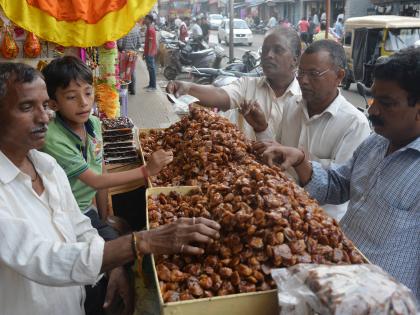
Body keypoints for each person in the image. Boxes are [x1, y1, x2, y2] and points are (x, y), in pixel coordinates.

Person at [0, 62, 221, 315]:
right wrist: (142, 242)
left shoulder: (46, 167)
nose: (43, 117)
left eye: (45, 106)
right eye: (26, 107)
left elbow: (79, 224)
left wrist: (111, 264)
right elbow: (44, 259)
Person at [255, 47, 420, 302]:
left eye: (386, 103)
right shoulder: (375, 144)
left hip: (384, 304)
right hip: (338, 281)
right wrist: (300, 161)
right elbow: (337, 185)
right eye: (373, 99)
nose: (373, 111)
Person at [241, 40, 371, 220]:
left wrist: (303, 163)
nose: (303, 80)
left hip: (320, 222)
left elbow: (338, 187)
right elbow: (279, 155)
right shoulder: (291, 105)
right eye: (301, 72)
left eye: (313, 74)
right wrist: (261, 128)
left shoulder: (355, 124)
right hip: (279, 208)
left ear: (339, 76)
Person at [41, 55, 172, 226]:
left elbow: (101, 169)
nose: (84, 102)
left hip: (88, 207)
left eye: (88, 93)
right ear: (53, 104)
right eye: (72, 97)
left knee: (119, 227)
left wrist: (104, 217)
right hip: (67, 214)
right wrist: (146, 170)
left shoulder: (94, 123)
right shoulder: (53, 139)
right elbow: (95, 180)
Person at [166, 26, 302, 140]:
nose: (268, 55)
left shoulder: (303, 99)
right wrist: (187, 87)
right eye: (265, 50)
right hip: (242, 169)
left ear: (295, 60)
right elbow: (218, 93)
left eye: (277, 50)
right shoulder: (247, 85)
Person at [117, 23, 141, 95]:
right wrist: (134, 50)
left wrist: (120, 50)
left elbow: (120, 44)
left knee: (123, 72)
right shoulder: (136, 30)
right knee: (132, 71)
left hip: (125, 54)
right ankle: (132, 89)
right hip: (133, 54)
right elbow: (139, 44)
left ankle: (123, 90)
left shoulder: (123, 31)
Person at [143, 14, 158, 91]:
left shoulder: (150, 29)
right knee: (150, 69)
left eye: (145, 19)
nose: (144, 20)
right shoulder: (149, 28)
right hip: (148, 52)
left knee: (151, 69)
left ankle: (153, 86)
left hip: (150, 53)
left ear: (149, 20)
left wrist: (148, 53)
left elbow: (150, 43)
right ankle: (150, 84)